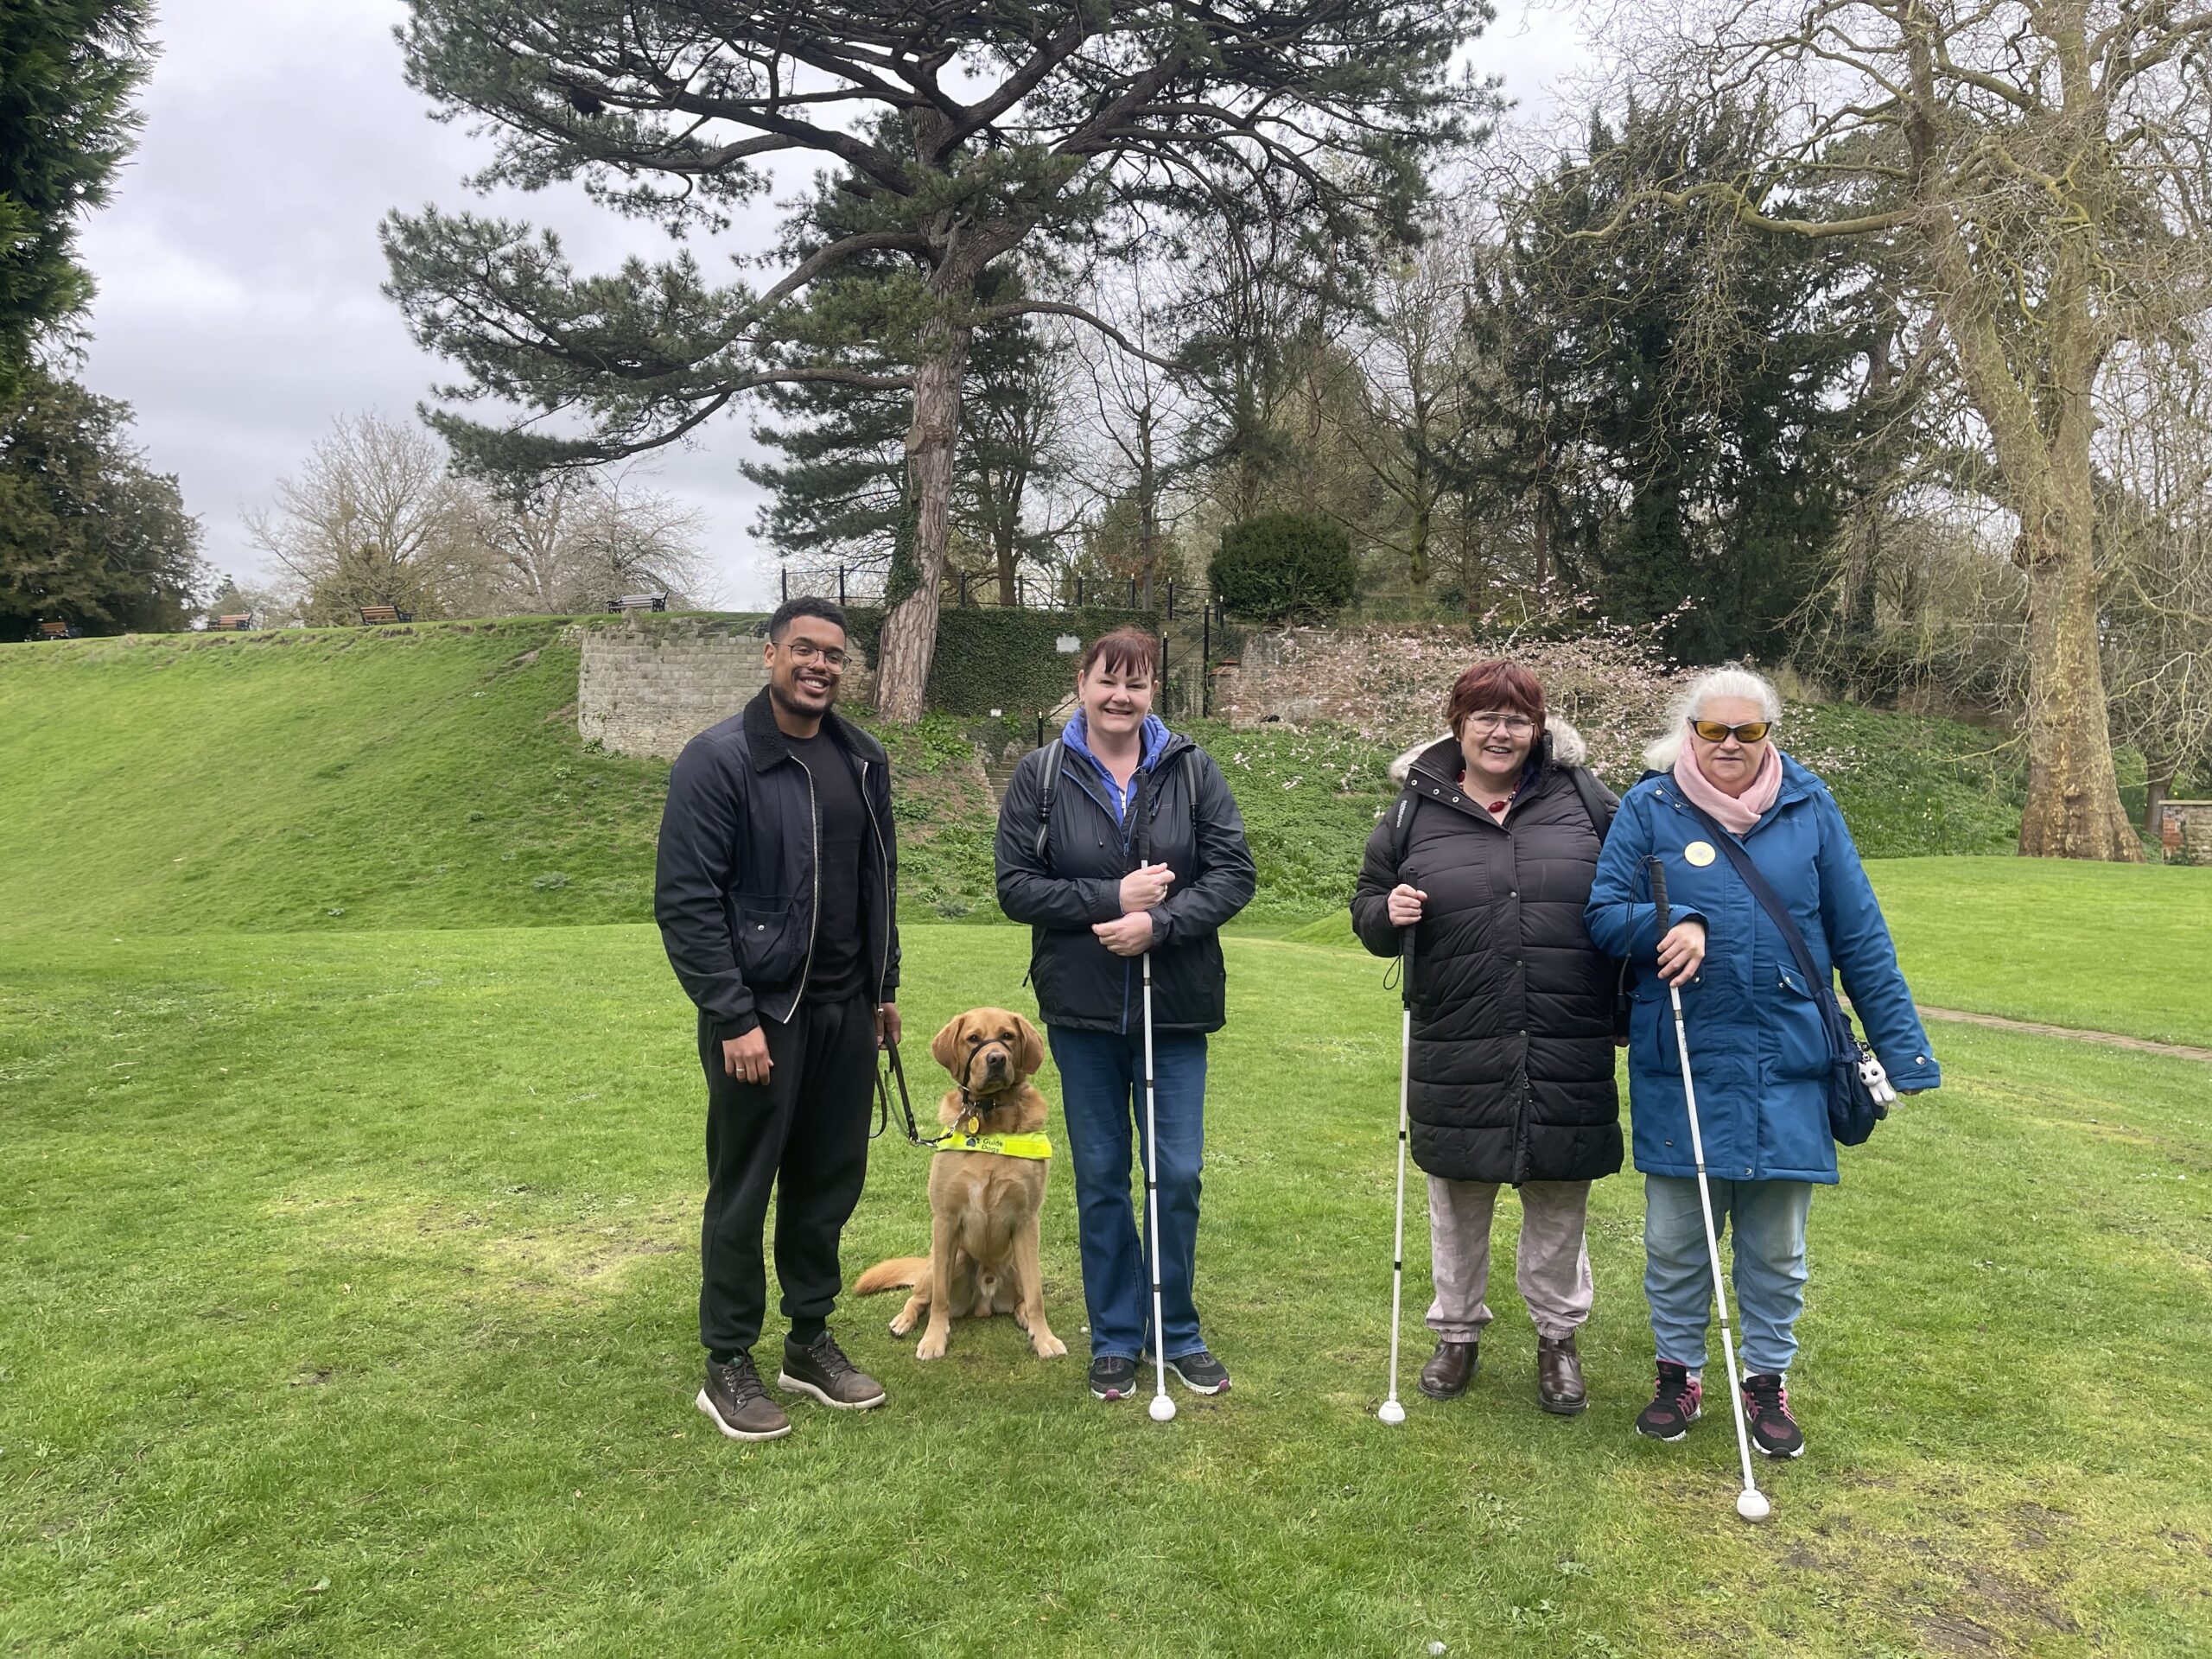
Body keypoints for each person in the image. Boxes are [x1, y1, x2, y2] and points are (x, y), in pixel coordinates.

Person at [1586, 664, 1938, 1459]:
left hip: (1791, 1063)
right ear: (1690, 733)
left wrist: (1903, 1050)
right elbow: (1605, 916)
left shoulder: (1810, 808)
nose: (1731, 745)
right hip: (1685, 1059)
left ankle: (1766, 1379)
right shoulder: (1648, 807)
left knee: (1777, 1249)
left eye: (1749, 731)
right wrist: (1677, 922)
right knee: (1677, 1241)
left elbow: (1860, 936)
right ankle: (1679, 1374)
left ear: (1770, 733)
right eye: (1714, 731)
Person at [654, 597, 902, 1442]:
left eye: (834, 654)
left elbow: (880, 886)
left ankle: (808, 1342)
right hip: (762, 1017)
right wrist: (732, 1016)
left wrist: (883, 990)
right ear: (770, 656)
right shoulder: (718, 761)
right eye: (804, 649)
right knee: (745, 1187)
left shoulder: (861, 759)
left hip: (843, 1013)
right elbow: (686, 904)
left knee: (826, 1186)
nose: (820, 665)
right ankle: (726, 1358)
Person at [1351, 659, 1624, 1414]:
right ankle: (1457, 1334)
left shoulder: (1586, 800)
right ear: (1457, 724)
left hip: (1567, 1032)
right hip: (1458, 1036)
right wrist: (1388, 914)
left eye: (1517, 719)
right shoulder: (1412, 811)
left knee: (1560, 1194)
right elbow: (1368, 906)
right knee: (1458, 1195)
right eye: (1486, 717)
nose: (1501, 732)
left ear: (1539, 728)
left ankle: (1558, 1338)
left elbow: (1637, 888)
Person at [995, 627, 1256, 1403]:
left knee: (1174, 1175)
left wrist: (1161, 923)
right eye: (1109, 680)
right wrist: (1110, 899)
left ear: (1153, 694)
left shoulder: (1192, 769)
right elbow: (1015, 887)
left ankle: (1174, 1329)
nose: (1121, 697)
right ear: (1082, 682)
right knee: (1104, 1178)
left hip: (1173, 1009)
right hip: (1080, 1013)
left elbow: (1234, 874)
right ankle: (1115, 1334)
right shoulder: (1040, 775)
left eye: (1137, 685)